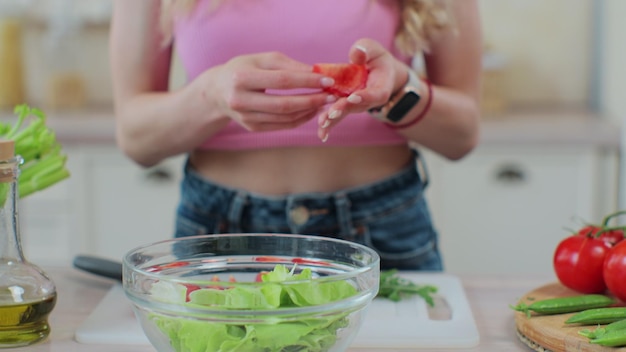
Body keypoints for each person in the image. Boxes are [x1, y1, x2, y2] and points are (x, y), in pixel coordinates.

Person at [109, 0, 482, 271]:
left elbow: (461, 135)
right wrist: (208, 96)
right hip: (219, 231)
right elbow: (136, 139)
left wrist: (399, 90)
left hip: (382, 229)